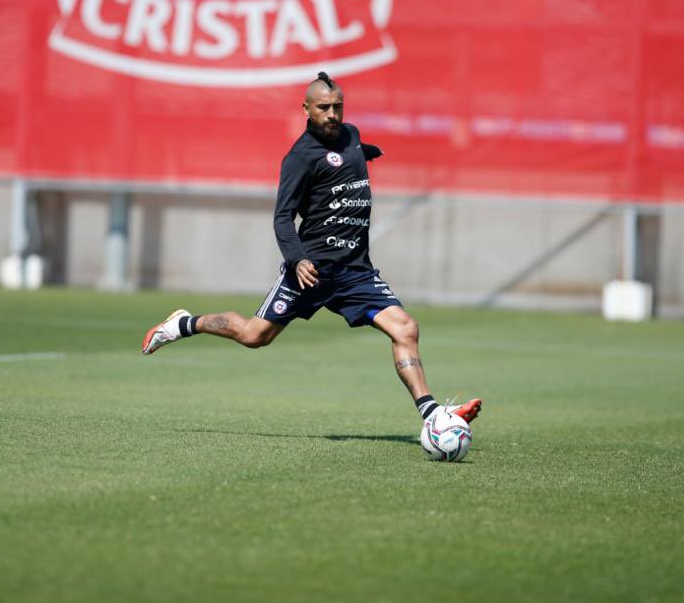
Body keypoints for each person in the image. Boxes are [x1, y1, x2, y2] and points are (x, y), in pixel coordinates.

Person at [141, 72, 481, 427]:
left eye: (338, 107)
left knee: (406, 329)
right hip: (311, 271)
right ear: (306, 109)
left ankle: (431, 414)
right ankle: (184, 323)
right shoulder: (299, 157)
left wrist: (364, 153)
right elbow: (283, 218)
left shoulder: (351, 136)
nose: (332, 114)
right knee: (254, 336)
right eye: (324, 108)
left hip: (354, 272)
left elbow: (343, 157)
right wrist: (297, 258)